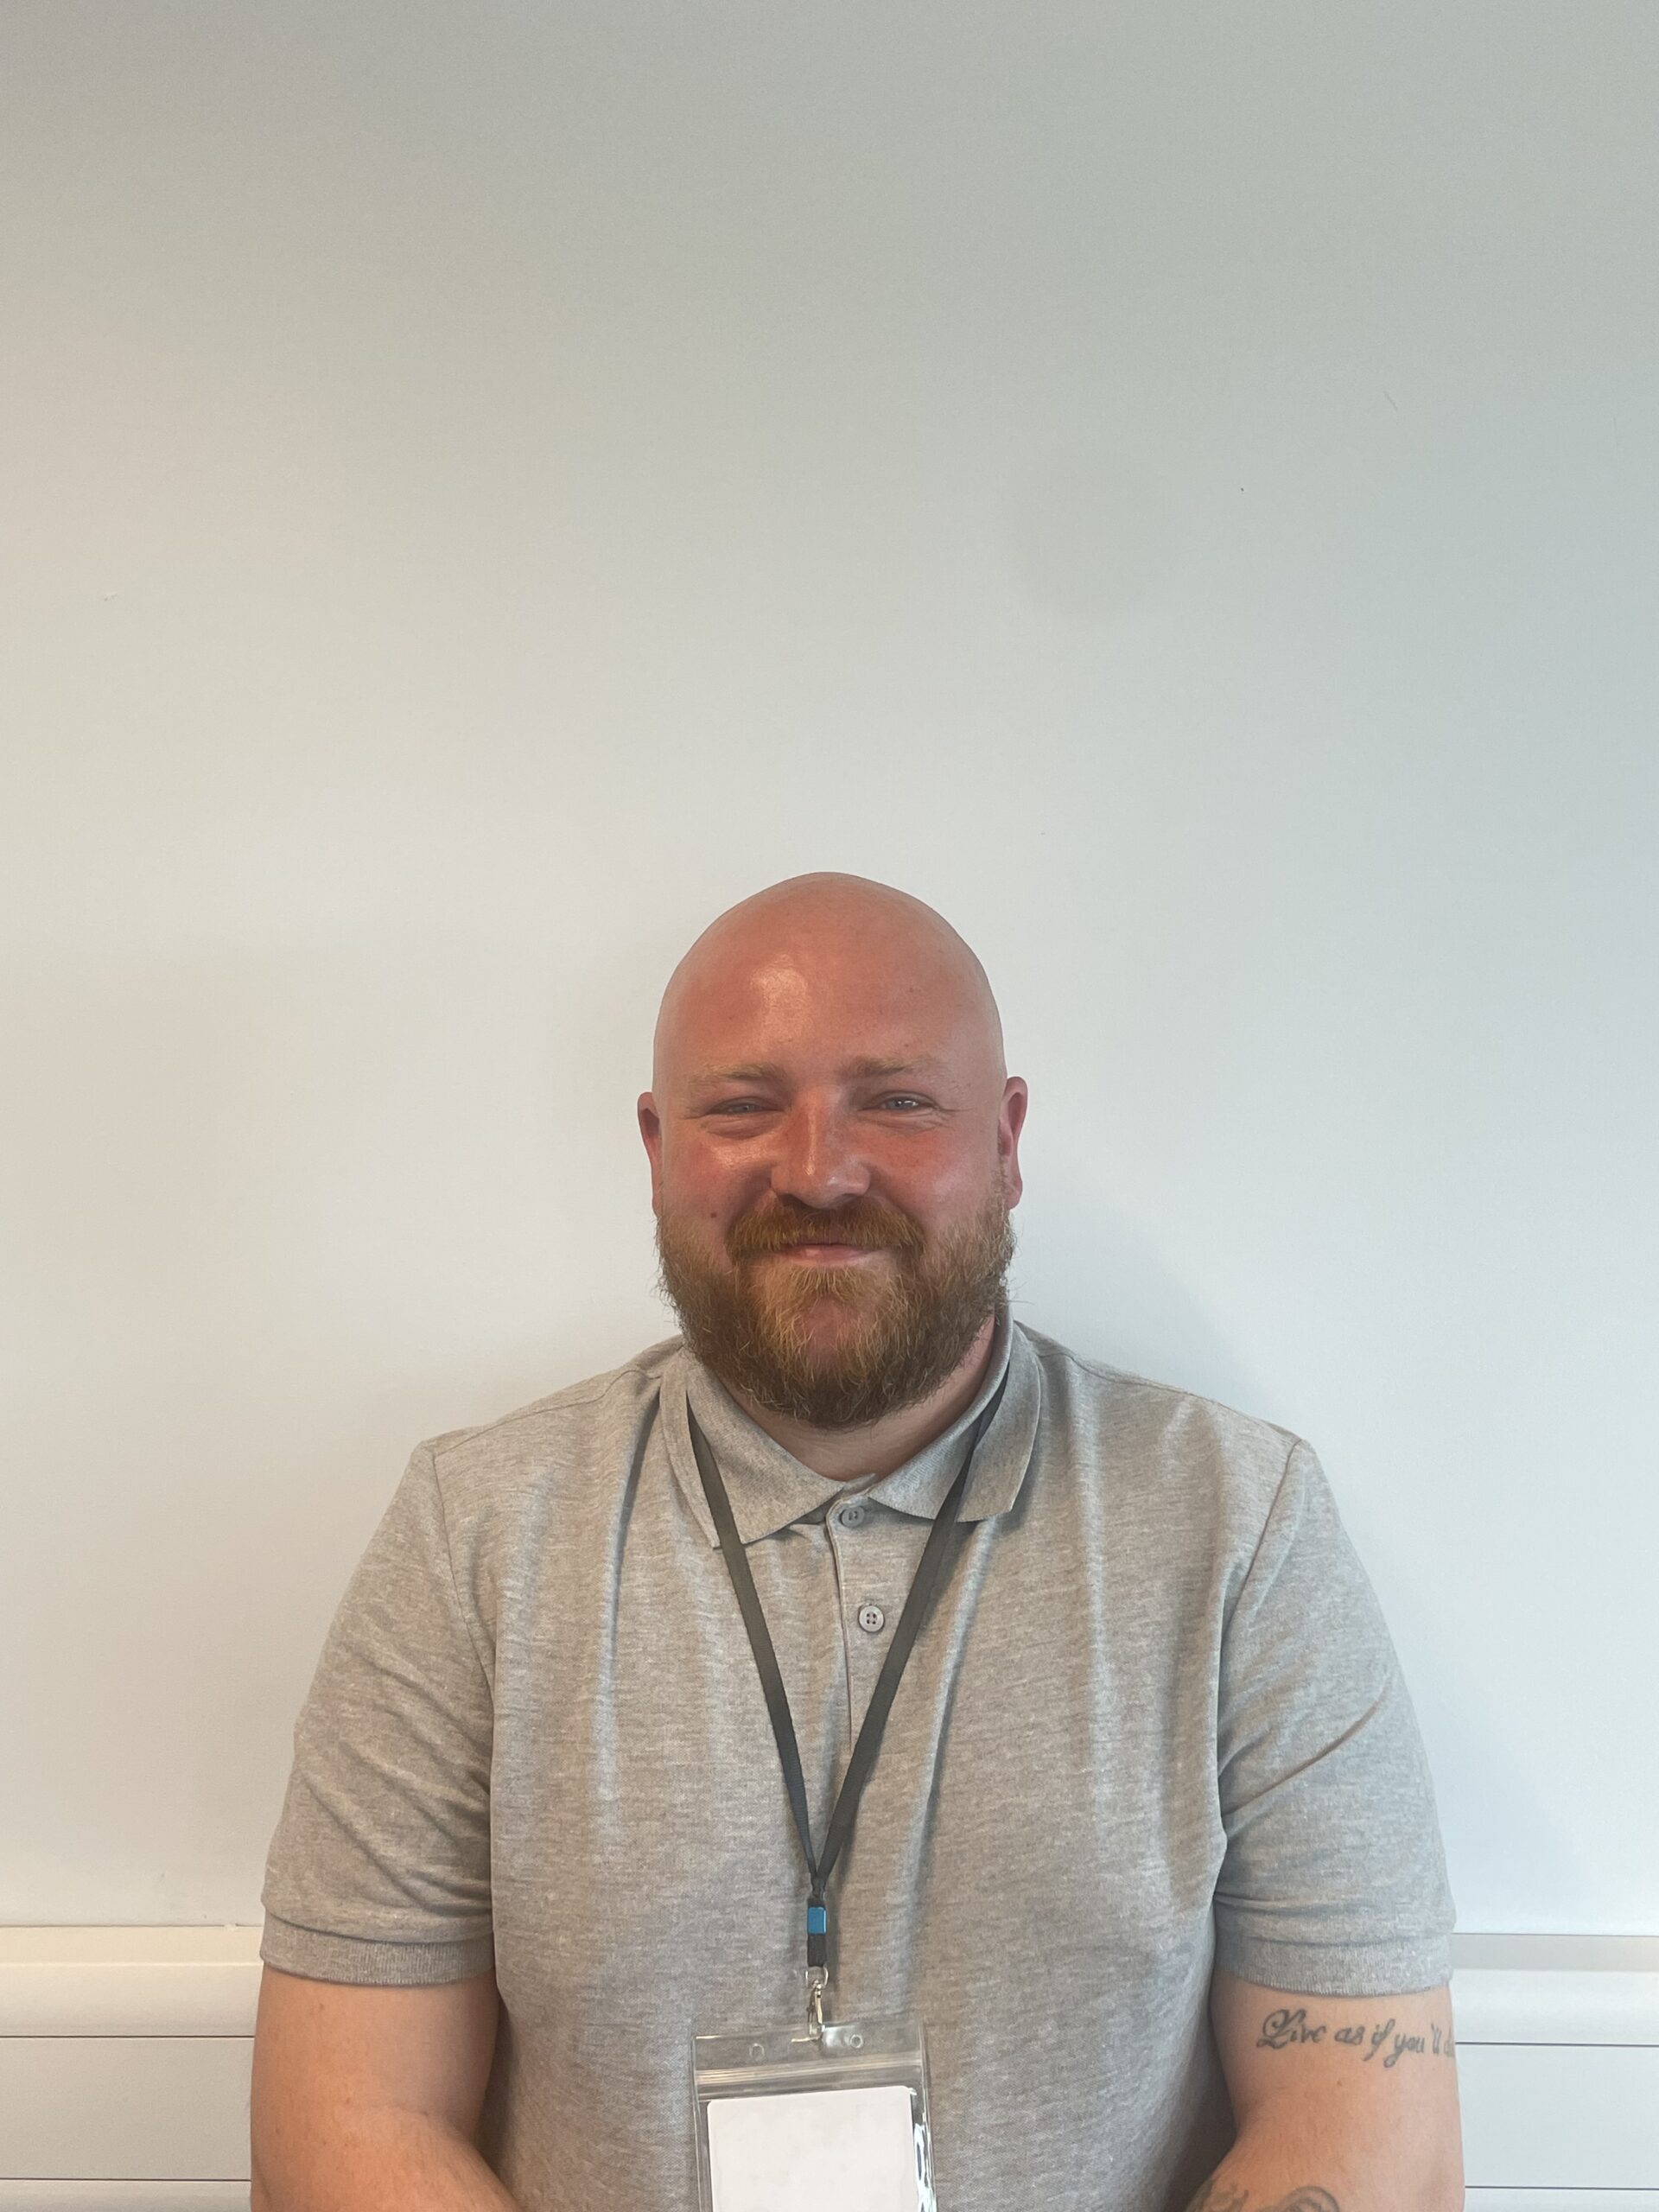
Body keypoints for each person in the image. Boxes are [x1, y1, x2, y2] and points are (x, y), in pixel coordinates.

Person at [251, 872, 1462, 2212]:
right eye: (743, 1106)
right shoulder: (473, 1535)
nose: (819, 1170)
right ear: (658, 1148)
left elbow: (1365, 2136)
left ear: (1004, 1142)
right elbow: (349, 2119)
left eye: (895, 1100)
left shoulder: (1241, 1533)